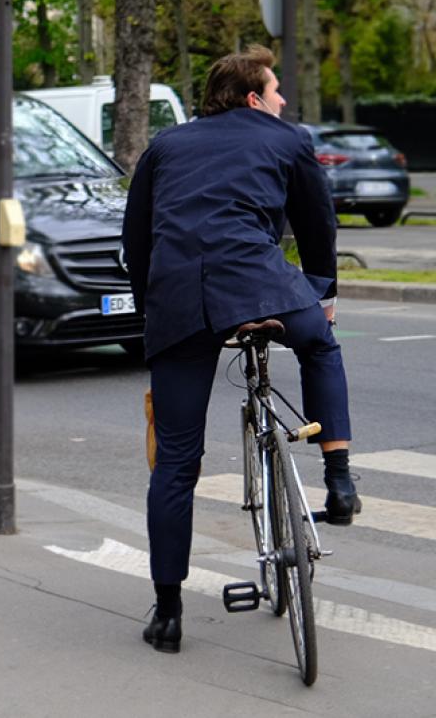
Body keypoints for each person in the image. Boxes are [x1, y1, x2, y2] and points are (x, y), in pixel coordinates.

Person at [121, 45, 361, 655]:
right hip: (263, 289)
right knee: (321, 347)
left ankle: (168, 612)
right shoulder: (287, 139)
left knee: (175, 461)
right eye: (276, 90)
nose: (283, 101)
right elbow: (318, 226)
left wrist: (154, 309)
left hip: (179, 303)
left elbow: (138, 239)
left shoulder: (165, 147)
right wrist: (322, 294)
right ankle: (338, 480)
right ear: (254, 97)